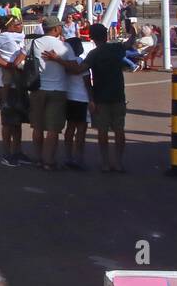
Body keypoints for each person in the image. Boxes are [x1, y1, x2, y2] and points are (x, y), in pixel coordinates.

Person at [49, 23, 130, 173]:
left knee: (102, 131)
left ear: (91, 37)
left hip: (100, 96)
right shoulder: (116, 48)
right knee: (119, 130)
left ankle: (105, 162)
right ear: (106, 35)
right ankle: (118, 162)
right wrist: (132, 29)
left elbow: (79, 70)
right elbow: (130, 44)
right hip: (118, 94)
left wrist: (58, 60)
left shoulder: (94, 54)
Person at [26, 15, 77, 170]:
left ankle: (37, 157)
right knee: (53, 129)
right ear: (56, 29)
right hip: (58, 89)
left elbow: (23, 59)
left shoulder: (34, 43)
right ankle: (49, 160)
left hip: (38, 88)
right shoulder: (64, 46)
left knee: (38, 126)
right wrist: (58, 60)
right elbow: (74, 67)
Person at [0, 16, 30, 167]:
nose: (21, 26)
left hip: (18, 83)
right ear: (10, 26)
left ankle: (17, 151)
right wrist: (9, 65)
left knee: (17, 121)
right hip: (7, 84)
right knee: (8, 121)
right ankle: (7, 154)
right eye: (18, 24)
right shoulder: (5, 37)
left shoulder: (8, 37)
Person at [61, 30, 94, 170]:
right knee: (81, 130)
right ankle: (78, 158)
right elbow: (87, 83)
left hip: (69, 96)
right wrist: (92, 99)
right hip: (81, 97)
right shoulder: (81, 62)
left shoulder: (65, 63)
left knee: (70, 128)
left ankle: (68, 156)